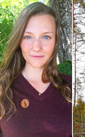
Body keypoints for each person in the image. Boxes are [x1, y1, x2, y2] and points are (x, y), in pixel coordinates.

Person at [0, 2, 72, 137]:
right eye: (28, 37)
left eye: (46, 37)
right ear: (19, 40)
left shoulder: (72, 87)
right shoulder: (3, 87)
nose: (37, 47)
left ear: (55, 41)